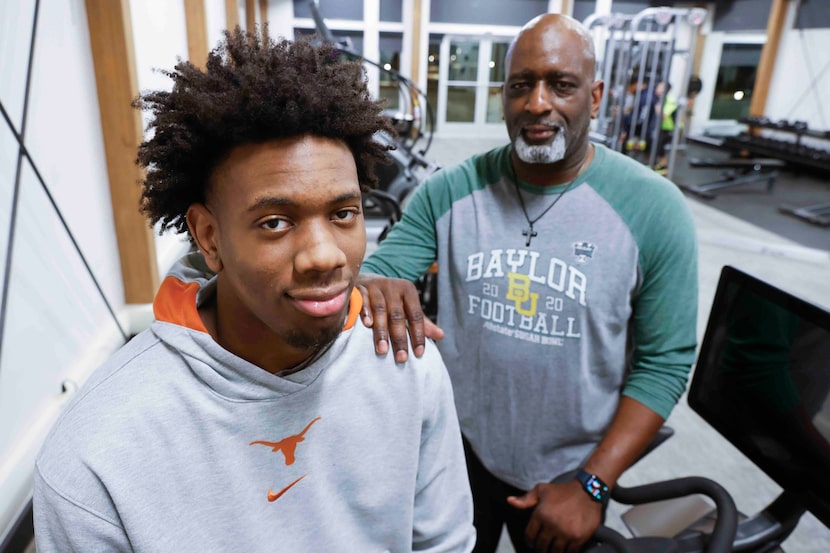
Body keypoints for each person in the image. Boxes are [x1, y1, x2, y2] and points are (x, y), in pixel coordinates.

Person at [33, 29, 475, 553]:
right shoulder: (95, 455)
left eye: (344, 214)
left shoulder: (406, 362)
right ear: (209, 237)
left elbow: (444, 544)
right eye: (274, 222)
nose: (325, 255)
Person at [357, 13, 698, 553]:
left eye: (561, 84)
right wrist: (375, 283)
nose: (538, 103)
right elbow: (379, 272)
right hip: (459, 450)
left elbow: (666, 363)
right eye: (521, 86)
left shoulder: (654, 208)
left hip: (572, 471)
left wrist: (593, 482)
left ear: (596, 94)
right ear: (504, 96)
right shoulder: (449, 191)